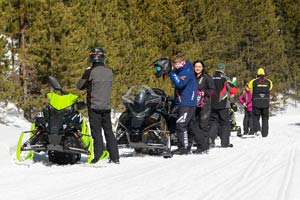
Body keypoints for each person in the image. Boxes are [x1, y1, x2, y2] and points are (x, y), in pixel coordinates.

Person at [77, 47, 120, 164]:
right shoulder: (109, 71)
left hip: (94, 106)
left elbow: (80, 86)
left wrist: (86, 73)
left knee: (96, 132)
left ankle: (99, 155)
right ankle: (115, 157)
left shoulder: (90, 71)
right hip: (106, 106)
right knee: (109, 132)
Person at [168, 53, 200, 155]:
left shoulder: (186, 71)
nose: (176, 65)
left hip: (187, 102)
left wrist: (172, 74)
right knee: (190, 125)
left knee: (181, 124)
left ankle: (184, 148)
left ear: (183, 62)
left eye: (178, 63)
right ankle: (200, 144)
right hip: (183, 101)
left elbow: (179, 83)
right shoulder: (181, 70)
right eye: (175, 64)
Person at [209, 63, 237, 147]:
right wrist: (234, 83)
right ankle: (225, 143)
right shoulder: (225, 78)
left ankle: (210, 140)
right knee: (225, 123)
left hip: (212, 104)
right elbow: (233, 91)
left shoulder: (210, 77)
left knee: (213, 122)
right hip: (223, 104)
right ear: (223, 70)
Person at [192, 60, 215, 154]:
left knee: (203, 125)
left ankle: (204, 147)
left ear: (203, 67)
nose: (197, 68)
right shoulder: (192, 77)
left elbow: (212, 91)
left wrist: (204, 93)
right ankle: (198, 144)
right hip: (193, 104)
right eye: (196, 66)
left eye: (199, 66)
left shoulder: (206, 77)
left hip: (204, 104)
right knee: (195, 125)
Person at [248, 68, 273, 137]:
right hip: (265, 102)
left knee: (255, 117)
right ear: (264, 74)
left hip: (256, 102)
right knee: (265, 118)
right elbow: (270, 88)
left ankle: (258, 130)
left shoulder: (253, 81)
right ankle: (265, 134)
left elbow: (249, 87)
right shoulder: (269, 82)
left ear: (257, 74)